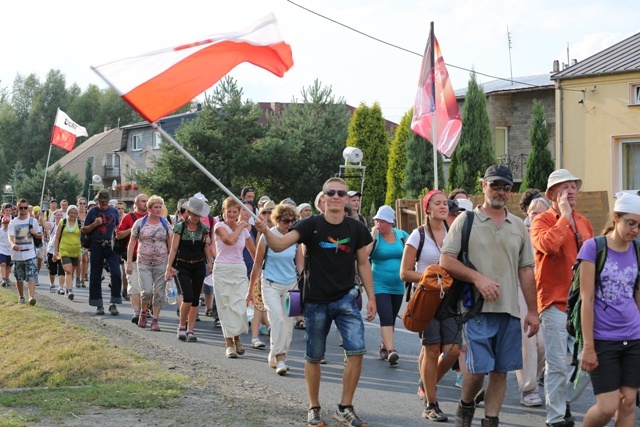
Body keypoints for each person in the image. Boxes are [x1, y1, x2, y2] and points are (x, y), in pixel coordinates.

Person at [255, 177, 376, 427]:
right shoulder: (310, 225)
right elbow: (278, 245)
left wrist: (372, 297)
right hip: (315, 301)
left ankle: (345, 407)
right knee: (314, 356)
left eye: (340, 193)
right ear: (322, 198)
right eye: (330, 192)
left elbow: (363, 263)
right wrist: (265, 229)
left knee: (356, 351)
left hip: (346, 298)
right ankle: (314, 407)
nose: (335, 196)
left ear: (346, 199)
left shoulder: (355, 229)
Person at [440, 165, 539, 427]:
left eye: (507, 187)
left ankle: (491, 420)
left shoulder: (518, 225)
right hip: (475, 309)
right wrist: (477, 278)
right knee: (477, 369)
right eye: (496, 185)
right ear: (483, 185)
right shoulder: (466, 220)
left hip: (510, 310)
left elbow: (526, 270)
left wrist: (532, 310)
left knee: (501, 370)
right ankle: (466, 403)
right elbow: (446, 260)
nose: (502, 191)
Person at [530, 169, 594, 427]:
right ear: (552, 194)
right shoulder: (541, 221)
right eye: (564, 187)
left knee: (588, 361)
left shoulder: (585, 222)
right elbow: (548, 246)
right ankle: (555, 417)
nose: (571, 191)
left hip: (582, 303)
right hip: (554, 302)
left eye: (574, 187)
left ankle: (561, 399)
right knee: (556, 364)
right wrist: (564, 217)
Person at [578, 192, 640, 427]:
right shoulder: (593, 248)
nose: (634, 230)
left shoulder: (638, 250)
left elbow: (637, 297)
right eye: (630, 223)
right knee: (606, 407)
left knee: (628, 403)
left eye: (639, 226)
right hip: (603, 339)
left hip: (634, 337)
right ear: (616, 217)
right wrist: (588, 346)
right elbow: (587, 298)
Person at [400, 190, 460, 422]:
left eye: (445, 203)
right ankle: (431, 404)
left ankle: (428, 381)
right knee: (433, 349)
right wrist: (431, 276)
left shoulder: (454, 233)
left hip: (451, 299)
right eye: (437, 203)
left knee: (453, 349)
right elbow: (404, 272)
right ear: (427, 209)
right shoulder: (418, 235)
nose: (443, 206)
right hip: (427, 298)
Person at [247, 203, 303, 374]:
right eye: (286, 220)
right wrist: (250, 291)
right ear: (277, 220)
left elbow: (300, 265)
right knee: (277, 319)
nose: (289, 224)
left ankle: (274, 356)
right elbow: (257, 266)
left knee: (288, 324)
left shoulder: (296, 238)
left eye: (293, 220)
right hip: (270, 284)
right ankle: (280, 359)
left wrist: (305, 282)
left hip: (291, 287)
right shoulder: (267, 236)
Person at [514, 191, 550, 407]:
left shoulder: (552, 234)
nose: (535, 217)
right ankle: (528, 389)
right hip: (521, 289)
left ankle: (534, 377)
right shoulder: (520, 232)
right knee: (527, 341)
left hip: (546, 292)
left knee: (543, 346)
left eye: (541, 213)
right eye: (532, 213)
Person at [214, 197, 256, 357]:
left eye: (234, 212)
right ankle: (229, 343)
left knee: (239, 307)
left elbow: (254, 253)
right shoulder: (219, 226)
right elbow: (229, 240)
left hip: (239, 269)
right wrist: (241, 226)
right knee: (225, 306)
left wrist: (260, 270)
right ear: (223, 213)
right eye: (228, 212)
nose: (231, 215)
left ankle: (237, 337)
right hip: (223, 269)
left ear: (239, 213)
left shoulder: (244, 230)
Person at [367, 205, 408, 368]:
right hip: (379, 283)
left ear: (391, 223)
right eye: (377, 220)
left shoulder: (401, 235)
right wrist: (373, 235)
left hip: (398, 284)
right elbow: (364, 255)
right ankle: (391, 350)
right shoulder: (374, 237)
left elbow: (412, 253)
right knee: (385, 316)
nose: (379, 223)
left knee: (391, 317)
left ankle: (384, 346)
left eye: (382, 221)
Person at [166, 197, 212, 342]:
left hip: (198, 265)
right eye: (194, 214)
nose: (196, 217)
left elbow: (206, 247)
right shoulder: (180, 227)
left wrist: (210, 262)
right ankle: (181, 326)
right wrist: (169, 267)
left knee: (196, 300)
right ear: (188, 212)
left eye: (199, 215)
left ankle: (191, 329)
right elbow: (173, 249)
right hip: (183, 264)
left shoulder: (204, 228)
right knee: (188, 296)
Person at [127, 196, 173, 331]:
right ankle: (143, 313)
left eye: (160, 207)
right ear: (149, 208)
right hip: (143, 262)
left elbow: (171, 245)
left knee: (159, 292)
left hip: (161, 262)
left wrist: (171, 265)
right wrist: (129, 262)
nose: (158, 210)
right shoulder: (140, 223)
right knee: (146, 291)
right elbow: (131, 243)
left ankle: (155, 320)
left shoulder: (165, 224)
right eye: (156, 207)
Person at [81, 189, 122, 316]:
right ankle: (98, 304)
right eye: (101, 201)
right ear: (98, 201)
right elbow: (84, 230)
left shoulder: (114, 211)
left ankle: (114, 302)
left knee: (116, 273)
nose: (103, 203)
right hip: (96, 245)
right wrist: (95, 224)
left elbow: (118, 227)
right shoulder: (92, 212)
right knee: (95, 275)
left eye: (105, 201)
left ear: (108, 201)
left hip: (111, 246)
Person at [115, 194, 148, 323]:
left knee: (147, 288)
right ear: (136, 203)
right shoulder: (129, 217)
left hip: (149, 258)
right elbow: (118, 235)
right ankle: (136, 312)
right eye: (143, 201)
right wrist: (133, 229)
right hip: (132, 257)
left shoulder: (153, 218)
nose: (146, 203)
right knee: (134, 285)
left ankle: (145, 310)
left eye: (147, 201)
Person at [8, 198, 43, 305]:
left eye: (25, 208)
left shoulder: (33, 221)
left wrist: (34, 233)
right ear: (17, 208)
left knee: (31, 275)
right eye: (21, 208)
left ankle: (31, 297)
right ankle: (21, 296)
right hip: (17, 254)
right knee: (19, 277)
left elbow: (40, 235)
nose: (23, 210)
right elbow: (10, 236)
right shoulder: (13, 223)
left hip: (30, 253)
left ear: (28, 209)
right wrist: (13, 244)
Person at [53, 205, 81, 300]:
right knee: (68, 270)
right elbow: (57, 238)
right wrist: (55, 252)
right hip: (64, 250)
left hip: (76, 251)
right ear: (68, 213)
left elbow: (81, 237)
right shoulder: (63, 222)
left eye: (74, 213)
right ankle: (70, 291)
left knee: (71, 272)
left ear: (77, 214)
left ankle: (67, 289)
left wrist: (83, 248)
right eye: (71, 213)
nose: (73, 215)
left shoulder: (79, 223)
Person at [45, 210, 65, 294]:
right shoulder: (52, 225)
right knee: (52, 270)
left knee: (62, 270)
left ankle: (60, 287)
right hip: (51, 250)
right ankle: (52, 284)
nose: (60, 216)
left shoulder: (65, 226)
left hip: (62, 250)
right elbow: (44, 224)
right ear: (54, 217)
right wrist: (40, 216)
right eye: (58, 215)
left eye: (61, 215)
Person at [76, 196, 89, 287]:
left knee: (84, 259)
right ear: (77, 204)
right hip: (76, 239)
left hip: (85, 240)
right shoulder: (74, 215)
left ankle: (82, 278)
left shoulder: (88, 215)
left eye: (84, 203)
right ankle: (77, 277)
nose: (82, 205)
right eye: (80, 203)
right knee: (78, 259)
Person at [0, 215, 12, 287]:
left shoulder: (11, 231)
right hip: (1, 250)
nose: (6, 224)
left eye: (7, 223)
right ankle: (4, 279)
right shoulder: (0, 231)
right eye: (4, 223)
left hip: (10, 251)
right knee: (3, 264)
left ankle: (7, 278)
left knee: (8, 266)